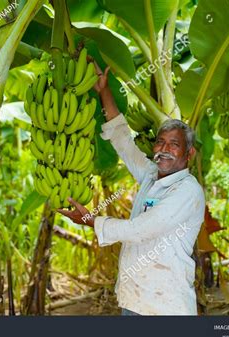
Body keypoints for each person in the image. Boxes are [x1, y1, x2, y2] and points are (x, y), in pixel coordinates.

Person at [57, 63, 206, 315]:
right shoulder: (151, 175)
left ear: (189, 153)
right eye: (160, 142)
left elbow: (141, 229)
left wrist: (92, 222)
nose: (164, 149)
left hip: (166, 304)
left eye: (174, 144)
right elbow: (123, 142)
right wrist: (104, 91)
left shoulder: (187, 191)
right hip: (134, 298)